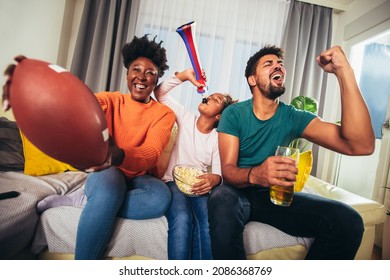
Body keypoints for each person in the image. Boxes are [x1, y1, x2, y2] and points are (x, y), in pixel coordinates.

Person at [3, 34, 176, 259]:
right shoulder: (111, 100)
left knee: (159, 199)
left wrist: (120, 154)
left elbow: (150, 154)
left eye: (150, 72)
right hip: (107, 172)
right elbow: (78, 104)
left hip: (138, 177)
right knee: (111, 185)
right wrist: (28, 89)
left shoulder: (164, 114)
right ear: (127, 73)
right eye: (136, 69)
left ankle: (84, 201)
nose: (141, 77)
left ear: (157, 79)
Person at [208, 45, 375, 260]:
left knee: (348, 220)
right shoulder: (234, 114)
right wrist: (256, 174)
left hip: (272, 197)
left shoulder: (293, 117)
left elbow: (361, 145)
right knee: (220, 197)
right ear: (252, 79)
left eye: (280, 64)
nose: (278, 66)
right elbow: (229, 172)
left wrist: (344, 72)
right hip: (238, 192)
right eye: (268, 64)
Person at [154, 69, 237, 259]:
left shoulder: (218, 139)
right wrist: (183, 76)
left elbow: (218, 173)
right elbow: (160, 93)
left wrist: (214, 179)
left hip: (199, 186)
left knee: (207, 222)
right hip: (172, 182)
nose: (209, 97)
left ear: (219, 117)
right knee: (182, 218)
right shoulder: (185, 117)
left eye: (216, 100)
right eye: (210, 95)